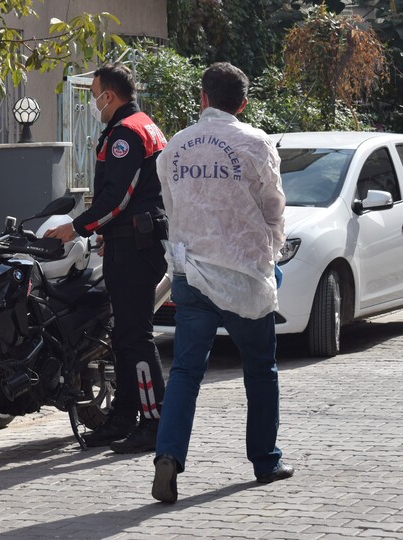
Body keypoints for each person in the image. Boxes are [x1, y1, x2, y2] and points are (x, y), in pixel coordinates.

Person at [151, 62, 291, 504]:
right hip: (243, 275)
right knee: (260, 369)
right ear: (243, 103)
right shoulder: (256, 143)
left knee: (186, 373)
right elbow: (274, 209)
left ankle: (168, 457)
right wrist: (273, 254)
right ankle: (265, 460)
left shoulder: (175, 146)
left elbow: (171, 207)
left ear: (203, 98)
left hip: (191, 274)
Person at [44, 62, 168, 454]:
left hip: (136, 246)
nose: (94, 101)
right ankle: (124, 416)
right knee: (125, 336)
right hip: (131, 242)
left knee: (135, 337)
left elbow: (117, 198)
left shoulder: (125, 135)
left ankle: (154, 421)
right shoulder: (143, 124)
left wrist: (77, 227)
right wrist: (104, 234)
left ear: (108, 96)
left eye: (95, 92)